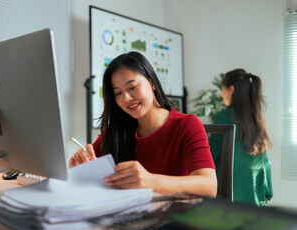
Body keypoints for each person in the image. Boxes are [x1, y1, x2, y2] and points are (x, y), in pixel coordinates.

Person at [69, 51, 217, 197]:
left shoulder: (186, 125)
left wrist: (151, 181)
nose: (126, 98)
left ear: (151, 82)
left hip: (175, 216)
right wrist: (80, 166)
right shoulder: (116, 130)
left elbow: (209, 186)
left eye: (132, 87)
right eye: (118, 93)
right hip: (130, 216)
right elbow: (91, 169)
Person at [209, 68, 273, 206]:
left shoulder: (223, 116)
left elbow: (211, 155)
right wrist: (267, 191)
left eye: (222, 90)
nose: (221, 94)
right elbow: (264, 159)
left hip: (230, 194)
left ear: (231, 89)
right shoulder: (257, 117)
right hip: (256, 193)